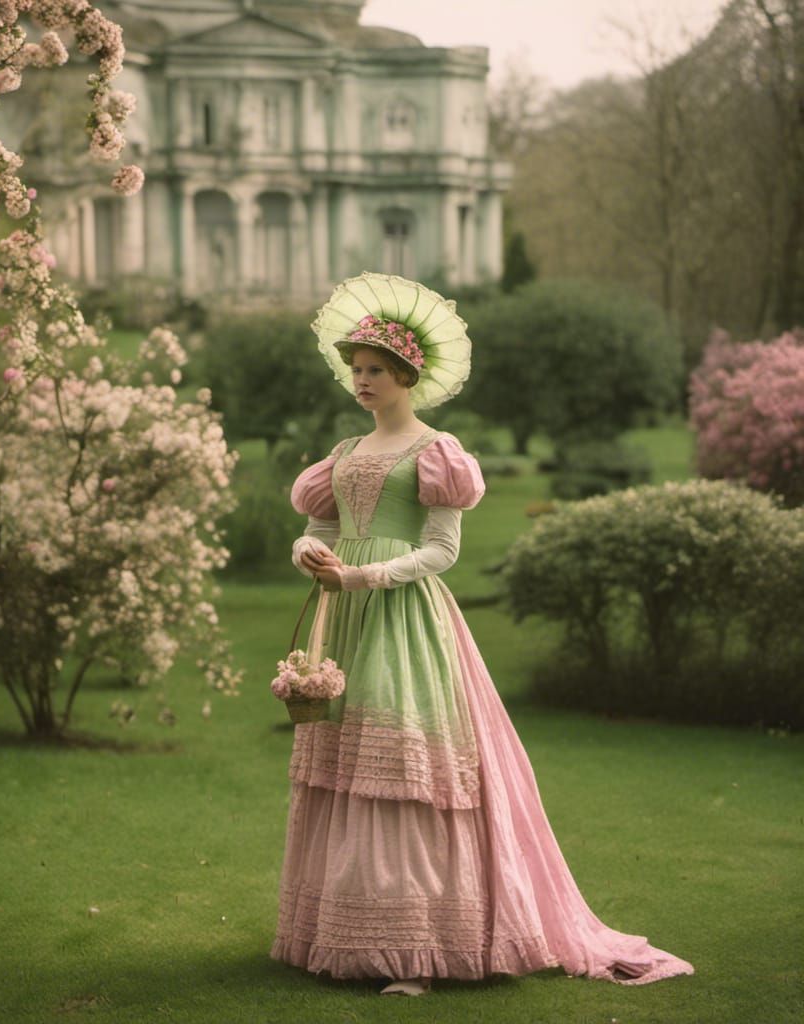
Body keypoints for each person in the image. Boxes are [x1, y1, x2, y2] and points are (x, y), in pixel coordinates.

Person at [269, 272, 694, 996]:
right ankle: (340, 935)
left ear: (408, 374)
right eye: (357, 370)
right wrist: (308, 554)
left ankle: (420, 952)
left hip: (405, 621)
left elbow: (442, 553)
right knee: (344, 770)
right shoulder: (342, 453)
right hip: (345, 621)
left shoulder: (437, 452)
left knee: (404, 774)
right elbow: (317, 530)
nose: (363, 381)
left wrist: (364, 577)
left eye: (376, 370)